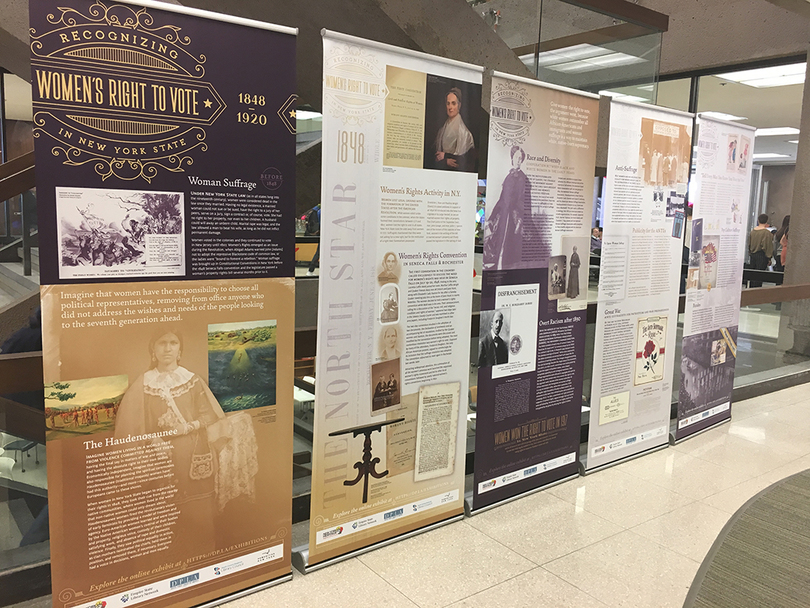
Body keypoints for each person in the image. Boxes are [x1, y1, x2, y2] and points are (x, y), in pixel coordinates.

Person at [115, 328, 231, 558]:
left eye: (173, 343)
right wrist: (151, 437)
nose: (168, 348)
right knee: (164, 521)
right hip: (160, 459)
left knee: (199, 518)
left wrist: (187, 427)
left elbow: (211, 415)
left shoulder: (192, 380)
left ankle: (202, 565)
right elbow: (133, 426)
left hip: (194, 454)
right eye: (162, 343)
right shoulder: (143, 385)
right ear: (153, 350)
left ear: (180, 350)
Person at [483, 145, 531, 269]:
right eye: (516, 157)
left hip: (513, 219)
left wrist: (519, 218)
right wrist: (493, 216)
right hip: (504, 217)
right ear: (512, 158)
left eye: (521, 158)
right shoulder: (508, 177)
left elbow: (524, 202)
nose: (519, 160)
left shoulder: (523, 179)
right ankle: (499, 268)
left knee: (510, 250)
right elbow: (501, 199)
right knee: (499, 244)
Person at [433, 87, 475, 171]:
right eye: (448, 103)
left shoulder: (465, 134)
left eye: (453, 103)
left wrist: (445, 156)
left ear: (459, 105)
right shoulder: (441, 130)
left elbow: (464, 160)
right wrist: (445, 161)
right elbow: (436, 156)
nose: (450, 107)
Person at [748, 213, 774, 287]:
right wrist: (769, 257)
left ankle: (751, 291)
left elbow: (749, 244)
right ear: (766, 221)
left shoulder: (752, 231)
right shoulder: (766, 233)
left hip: (753, 255)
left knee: (752, 276)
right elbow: (767, 246)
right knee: (759, 277)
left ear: (758, 220)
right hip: (761, 255)